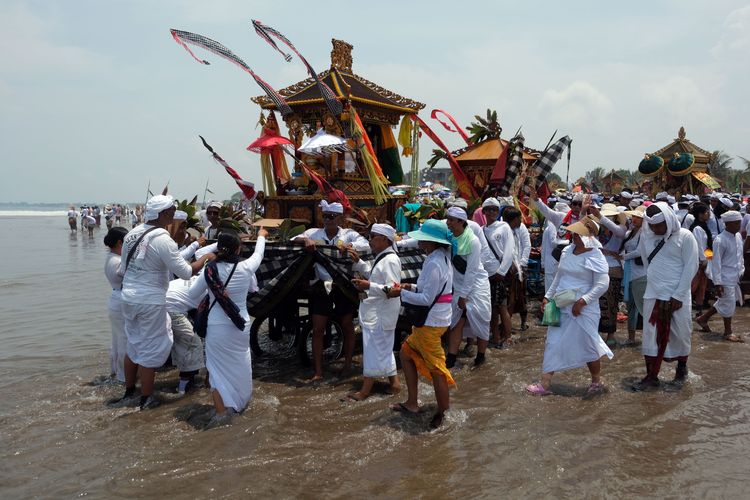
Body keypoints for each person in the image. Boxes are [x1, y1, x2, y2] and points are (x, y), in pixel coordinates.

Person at [109, 195, 210, 410]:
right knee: (151, 350)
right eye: (172, 211)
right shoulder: (163, 238)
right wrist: (205, 259)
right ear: (163, 214)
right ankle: (146, 399)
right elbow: (184, 272)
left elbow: (122, 269)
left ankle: (129, 392)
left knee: (134, 345)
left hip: (128, 298)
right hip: (150, 301)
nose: (174, 215)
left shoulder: (132, 234)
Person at [526, 216, 613, 396]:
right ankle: (545, 384)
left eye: (579, 234)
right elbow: (560, 276)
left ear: (589, 237)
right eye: (573, 234)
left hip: (584, 309)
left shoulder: (596, 255)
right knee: (553, 342)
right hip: (562, 303)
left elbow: (602, 284)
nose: (574, 237)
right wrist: (547, 296)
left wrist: (583, 301)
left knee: (589, 344)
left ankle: (596, 381)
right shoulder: (567, 251)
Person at [188, 230, 267, 428]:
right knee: (241, 365)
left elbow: (191, 294)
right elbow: (259, 254)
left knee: (216, 371)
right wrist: (261, 236)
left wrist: (213, 292)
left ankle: (222, 413)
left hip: (217, 328)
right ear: (238, 248)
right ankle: (239, 405)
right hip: (240, 326)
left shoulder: (210, 270)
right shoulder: (246, 267)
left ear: (218, 248)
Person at [387, 219, 454, 429]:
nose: (419, 242)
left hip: (431, 322)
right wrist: (410, 286)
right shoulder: (440, 257)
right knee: (406, 353)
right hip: (438, 317)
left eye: (422, 239)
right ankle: (413, 402)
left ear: (430, 241)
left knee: (437, 369)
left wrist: (401, 292)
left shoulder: (434, 262)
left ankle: (442, 413)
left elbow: (426, 298)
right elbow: (429, 289)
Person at [293, 200, 370, 382]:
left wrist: (350, 247)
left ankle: (348, 364)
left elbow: (365, 244)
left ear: (340, 218)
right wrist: (305, 240)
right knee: (318, 328)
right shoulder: (314, 233)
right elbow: (292, 240)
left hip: (343, 285)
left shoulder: (349, 235)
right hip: (322, 287)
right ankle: (318, 372)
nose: (328, 220)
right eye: (325, 216)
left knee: (347, 325)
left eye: (332, 217)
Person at [632, 202, 699, 391]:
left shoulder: (685, 237)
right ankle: (652, 376)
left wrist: (678, 295)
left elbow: (690, 267)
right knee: (650, 335)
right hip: (653, 294)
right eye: (652, 225)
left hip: (678, 295)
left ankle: (681, 369)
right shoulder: (647, 239)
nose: (655, 228)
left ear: (668, 220)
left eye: (659, 225)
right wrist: (655, 285)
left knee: (681, 333)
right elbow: (647, 265)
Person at [347, 223, 403, 401]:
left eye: (373, 237)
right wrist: (359, 263)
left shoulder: (391, 260)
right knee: (383, 349)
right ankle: (394, 384)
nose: (369, 240)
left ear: (384, 240)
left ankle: (365, 391)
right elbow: (375, 275)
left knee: (372, 350)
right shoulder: (383, 257)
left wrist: (368, 285)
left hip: (381, 314)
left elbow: (393, 289)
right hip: (378, 312)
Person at [444, 207, 492, 368]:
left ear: (460, 221)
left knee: (482, 319)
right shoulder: (449, 238)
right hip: (459, 285)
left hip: (476, 286)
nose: (448, 223)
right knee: (457, 320)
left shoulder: (473, 241)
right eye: (447, 219)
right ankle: (451, 357)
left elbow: (471, 271)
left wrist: (463, 295)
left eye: (451, 220)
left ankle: (481, 356)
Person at [695, 211, 744, 342]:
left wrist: (741, 271)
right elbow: (716, 263)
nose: (739, 225)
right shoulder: (720, 240)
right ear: (728, 224)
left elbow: (739, 256)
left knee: (725, 301)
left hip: (735, 275)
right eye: (736, 223)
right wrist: (718, 283)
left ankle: (702, 319)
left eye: (740, 222)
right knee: (728, 303)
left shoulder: (738, 236)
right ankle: (728, 332)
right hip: (724, 278)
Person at [588, 204, 627, 347]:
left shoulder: (620, 228)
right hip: (597, 268)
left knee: (611, 302)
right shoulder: (598, 229)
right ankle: (596, 332)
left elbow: (618, 231)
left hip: (613, 269)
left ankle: (611, 333)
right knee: (596, 302)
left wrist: (600, 217)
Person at [480, 197, 516, 347]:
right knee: (491, 308)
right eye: (488, 209)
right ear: (483, 212)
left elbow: (509, 251)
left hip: (500, 274)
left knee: (502, 307)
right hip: (486, 275)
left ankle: (508, 337)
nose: (491, 212)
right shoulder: (481, 230)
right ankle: (495, 337)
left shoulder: (504, 227)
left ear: (498, 211)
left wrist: (501, 271)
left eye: (494, 209)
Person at [104, 227, 129, 382]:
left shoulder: (111, 258)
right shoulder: (117, 261)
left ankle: (116, 373)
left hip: (116, 298)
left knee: (117, 339)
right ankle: (123, 377)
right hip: (120, 300)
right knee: (124, 341)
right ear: (120, 243)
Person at [621, 206, 647, 346]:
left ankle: (647, 336)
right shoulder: (629, 233)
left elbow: (639, 252)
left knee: (642, 306)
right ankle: (631, 337)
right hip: (630, 272)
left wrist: (623, 257)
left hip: (640, 274)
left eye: (638, 217)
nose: (634, 219)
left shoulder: (644, 233)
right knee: (631, 305)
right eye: (634, 217)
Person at [689, 202, 713, 316]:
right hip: (698, 262)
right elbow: (698, 246)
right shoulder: (697, 228)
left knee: (702, 287)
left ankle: (699, 310)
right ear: (700, 215)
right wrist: (703, 260)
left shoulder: (704, 226)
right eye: (706, 212)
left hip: (704, 261)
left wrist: (709, 259)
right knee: (693, 286)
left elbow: (707, 245)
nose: (708, 214)